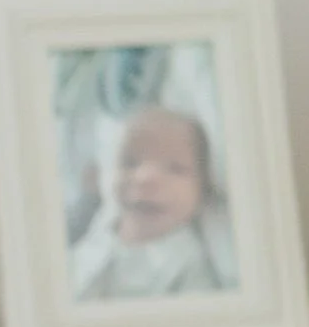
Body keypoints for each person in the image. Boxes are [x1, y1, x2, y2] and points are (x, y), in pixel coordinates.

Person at [67, 103, 237, 302]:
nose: (144, 178)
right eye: (129, 163)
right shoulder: (100, 225)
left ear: (203, 192)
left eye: (175, 168)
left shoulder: (188, 266)